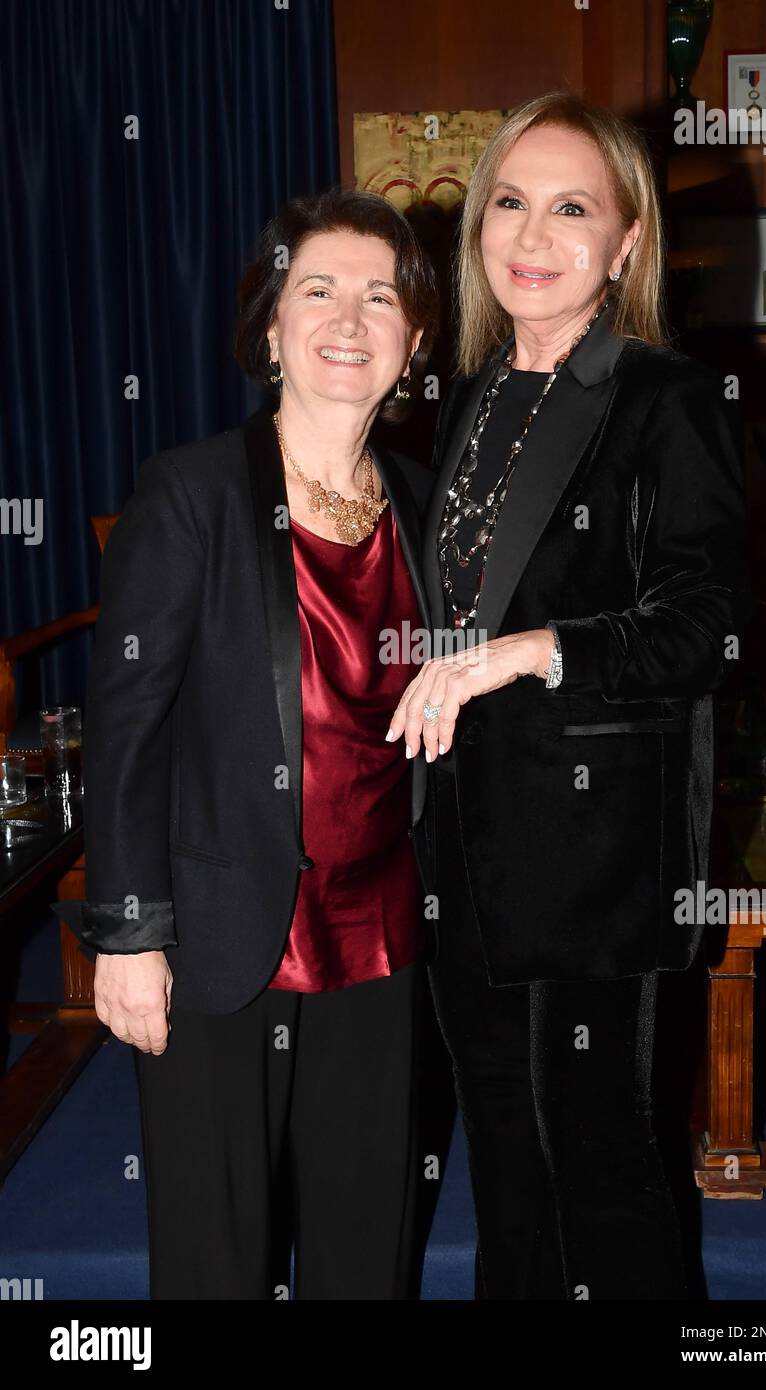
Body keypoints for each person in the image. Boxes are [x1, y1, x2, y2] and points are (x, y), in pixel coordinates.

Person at [388, 92, 749, 1300]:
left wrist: (527, 649)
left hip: (599, 861)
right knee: (504, 1164)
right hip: (462, 844)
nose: (530, 233)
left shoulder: (663, 398)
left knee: (603, 1169)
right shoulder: (473, 398)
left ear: (625, 243)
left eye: (570, 207)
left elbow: (701, 627)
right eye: (507, 201)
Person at [54, 189, 439, 1300]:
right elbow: (125, 724)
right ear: (270, 328)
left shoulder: (421, 501)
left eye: (380, 296)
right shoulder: (192, 491)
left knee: (367, 1238)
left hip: (377, 930)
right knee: (215, 1247)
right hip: (221, 933)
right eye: (316, 288)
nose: (347, 317)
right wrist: (125, 934)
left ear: (411, 342)